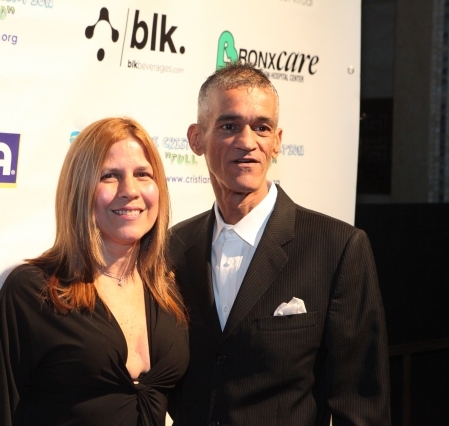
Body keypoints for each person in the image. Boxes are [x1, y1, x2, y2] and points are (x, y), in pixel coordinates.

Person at [167, 62, 390, 425]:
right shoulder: (173, 247)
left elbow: (361, 405)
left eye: (262, 127)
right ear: (196, 138)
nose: (247, 142)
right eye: (229, 126)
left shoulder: (337, 248)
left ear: (277, 142)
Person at [0, 117, 189, 426]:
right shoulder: (32, 292)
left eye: (142, 174)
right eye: (109, 176)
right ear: (80, 189)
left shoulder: (169, 290)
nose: (130, 190)